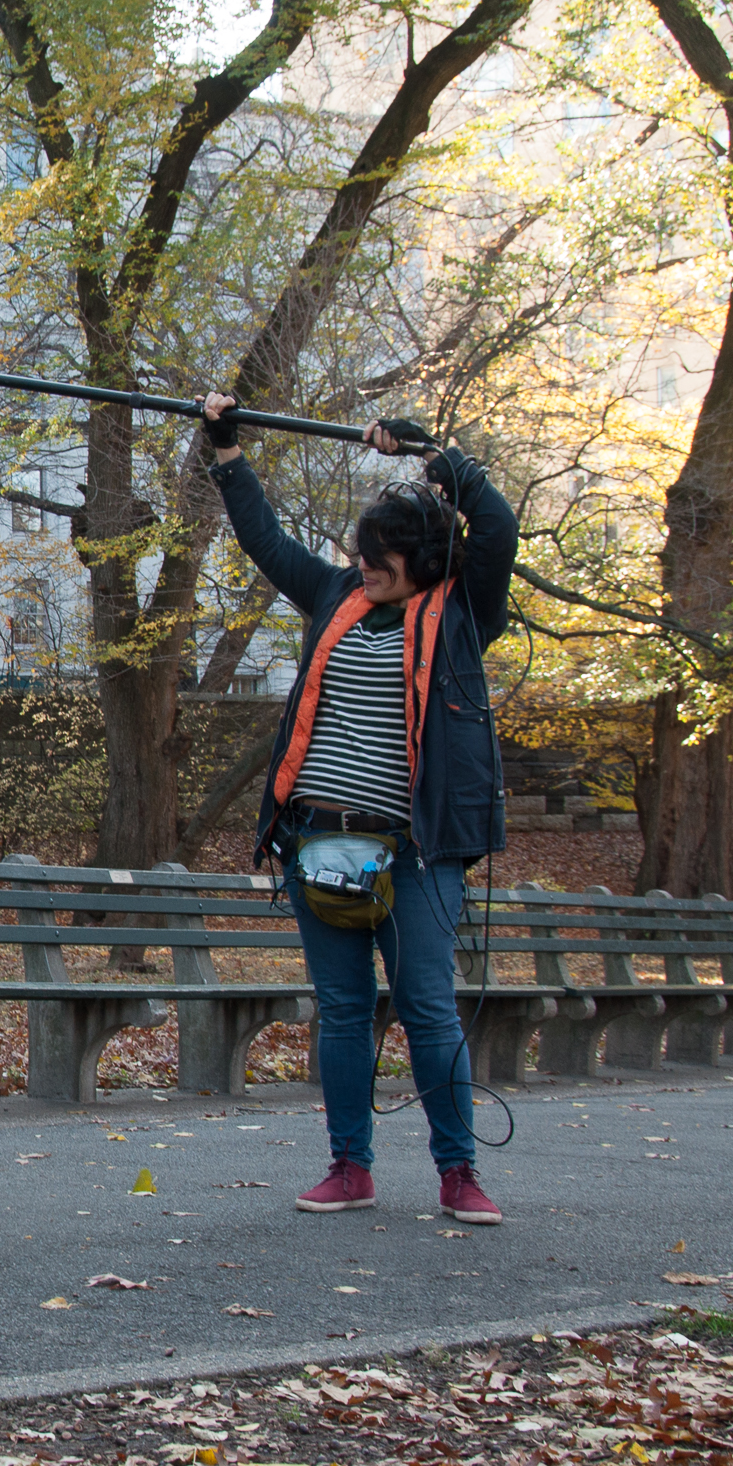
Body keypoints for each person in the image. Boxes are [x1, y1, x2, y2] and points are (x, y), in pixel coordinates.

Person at [199, 391, 515, 1225]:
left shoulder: (462, 616)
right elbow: (265, 542)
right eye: (361, 553)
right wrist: (227, 452)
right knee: (341, 1011)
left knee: (427, 1009)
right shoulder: (336, 597)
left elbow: (498, 526)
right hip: (321, 845)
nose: (364, 564)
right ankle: (349, 1166)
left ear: (419, 557)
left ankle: (458, 1172)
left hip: (417, 854)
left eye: (381, 554)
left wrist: (432, 457)